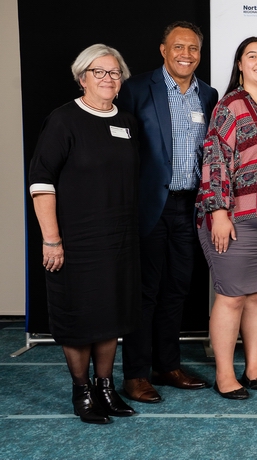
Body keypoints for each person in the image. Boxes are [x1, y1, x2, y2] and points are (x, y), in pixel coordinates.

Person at [29, 44, 139, 424]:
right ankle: (82, 390)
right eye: (99, 72)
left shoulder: (126, 121)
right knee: (79, 318)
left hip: (119, 239)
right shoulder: (63, 120)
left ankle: (105, 386)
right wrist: (51, 239)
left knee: (110, 314)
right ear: (82, 78)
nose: (108, 79)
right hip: (75, 240)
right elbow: (41, 182)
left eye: (114, 73)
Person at [117, 21, 218, 403]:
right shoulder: (136, 89)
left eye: (193, 48)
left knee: (177, 289)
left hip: (189, 207)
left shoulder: (208, 96)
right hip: (148, 206)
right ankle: (136, 374)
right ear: (163, 49)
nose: (186, 55)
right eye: (178, 47)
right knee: (145, 292)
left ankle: (167, 364)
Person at [197, 37, 257, 400]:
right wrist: (219, 213)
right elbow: (215, 161)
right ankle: (225, 374)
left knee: (256, 296)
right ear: (239, 64)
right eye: (251, 56)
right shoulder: (229, 106)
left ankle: (253, 368)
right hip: (234, 217)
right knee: (231, 297)